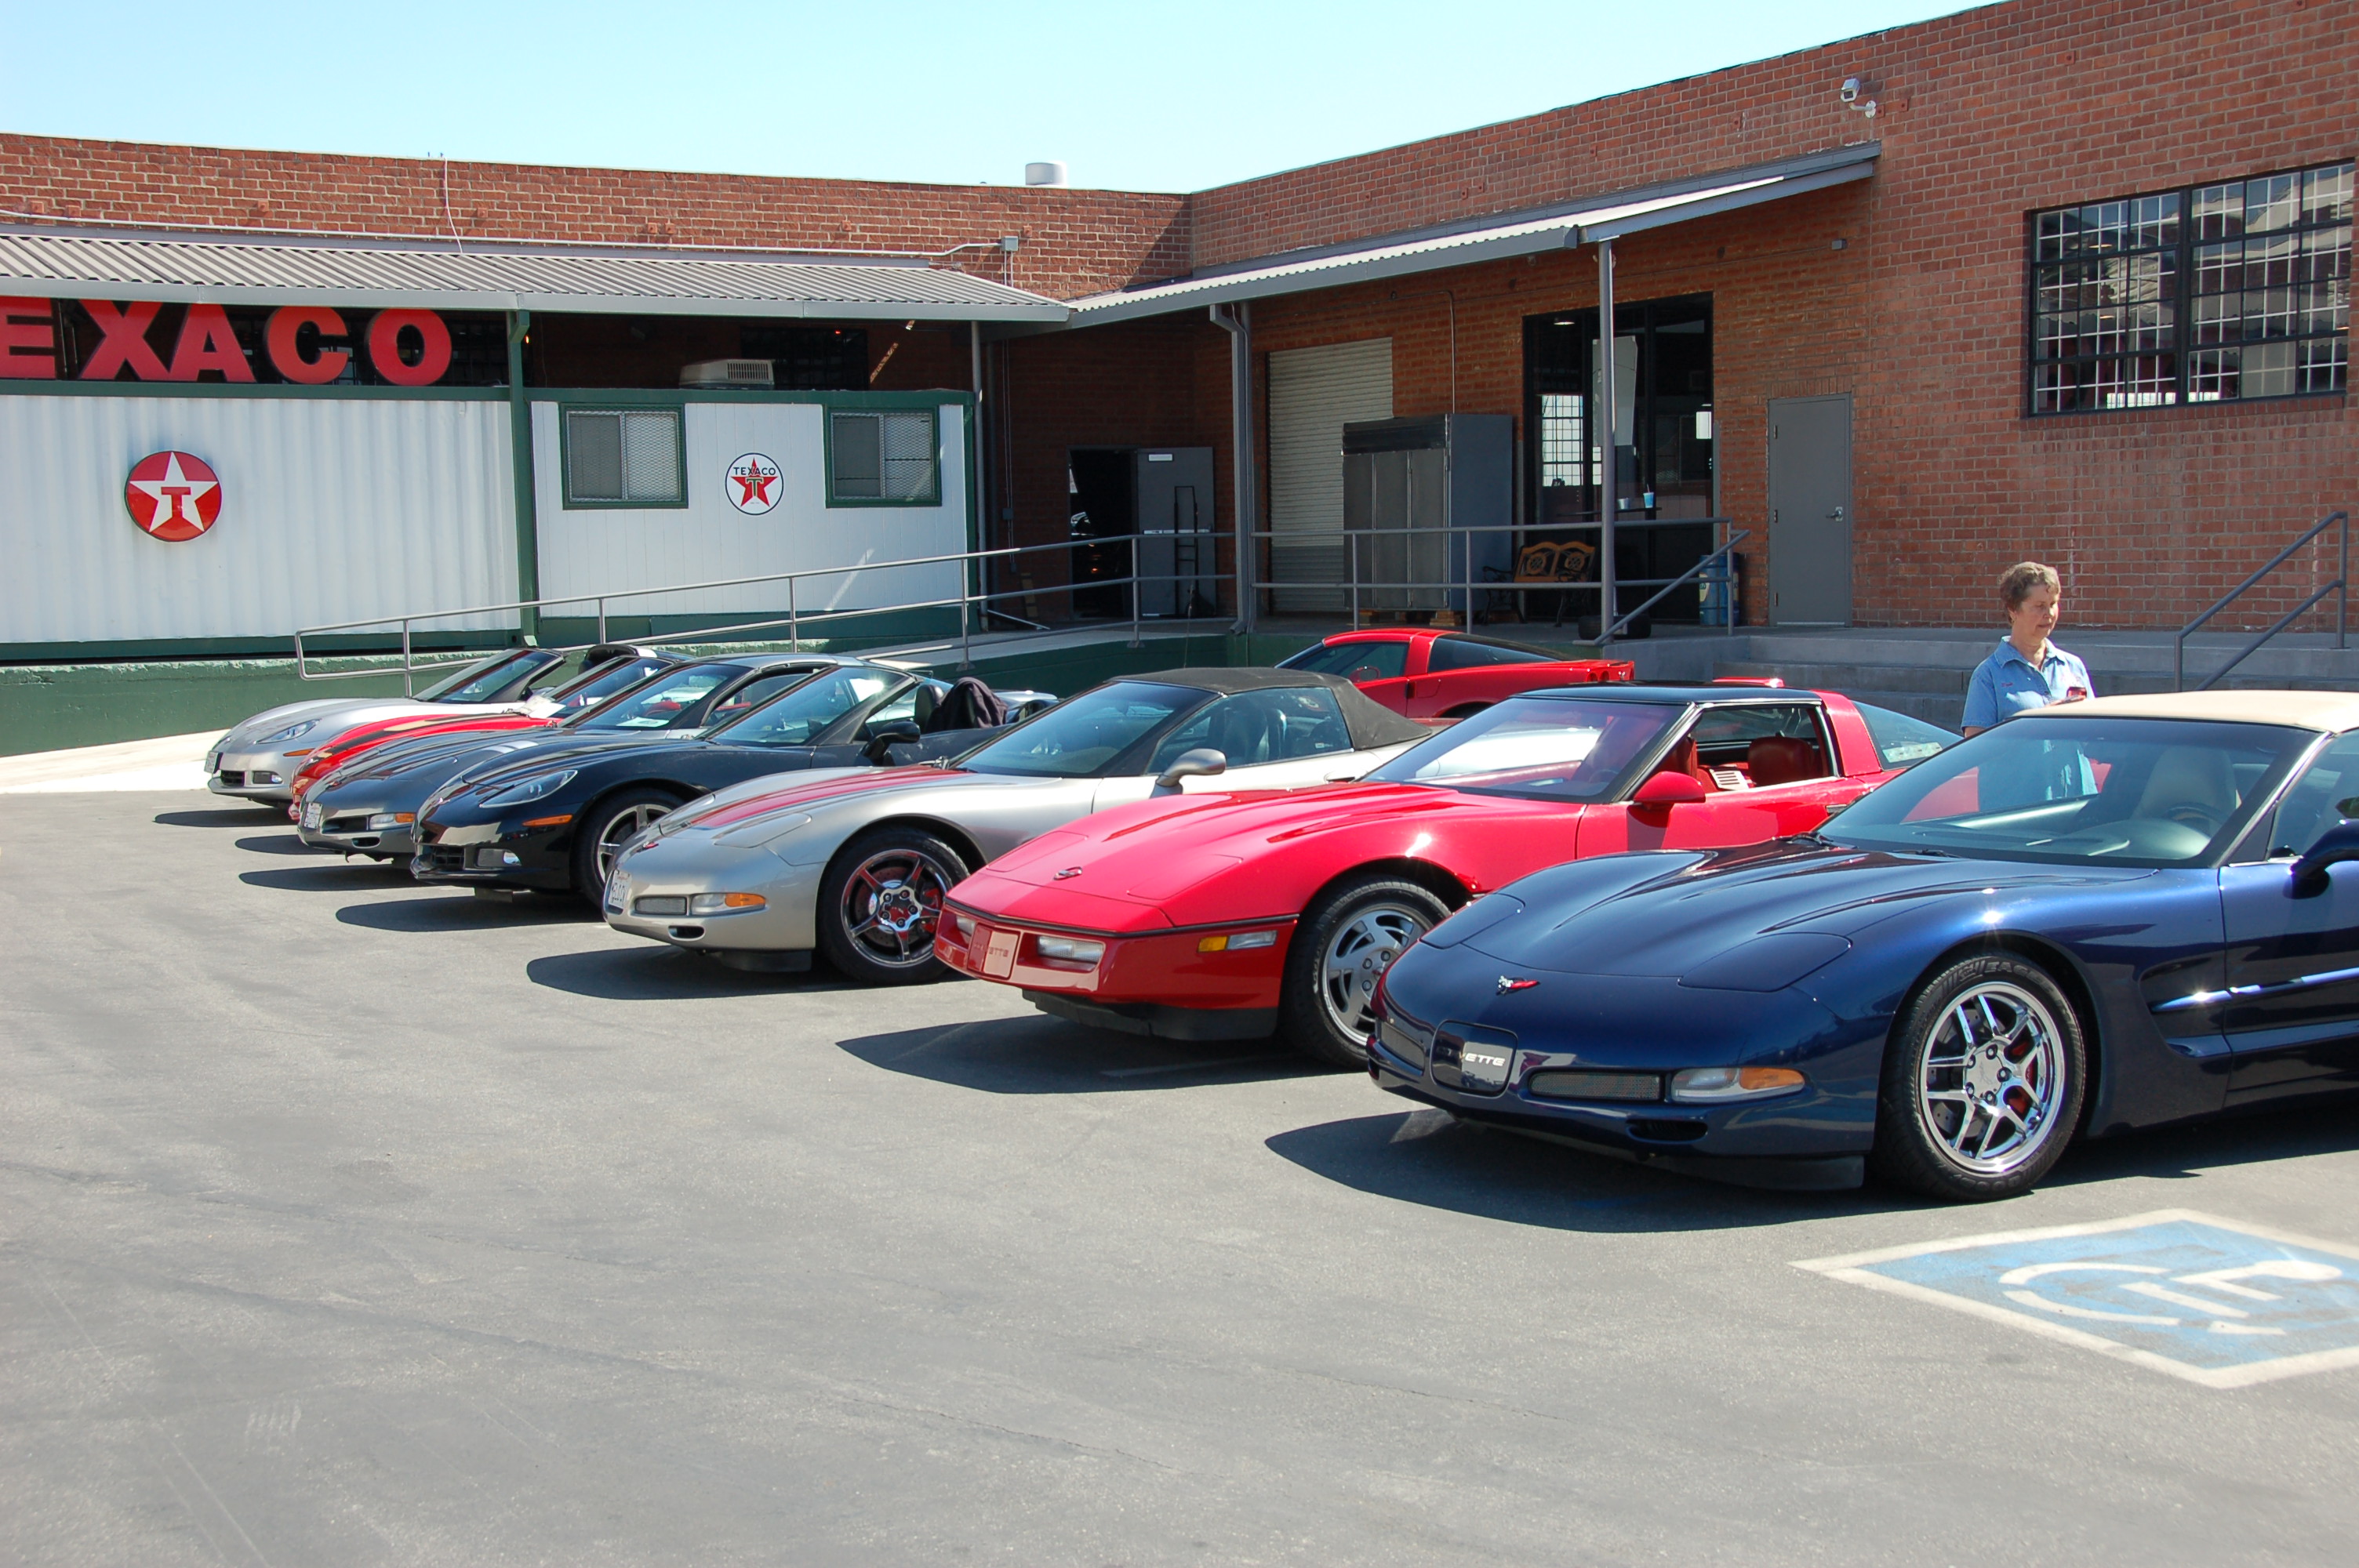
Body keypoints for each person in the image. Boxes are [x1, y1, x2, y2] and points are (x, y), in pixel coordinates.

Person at [1961, 561, 2092, 739]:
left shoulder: (2072, 666)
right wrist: (2038, 723)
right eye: (2039, 606)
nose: (2049, 613)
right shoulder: (1989, 675)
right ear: (2013, 610)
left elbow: (2096, 735)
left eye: (2053, 604)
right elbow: (1974, 748)